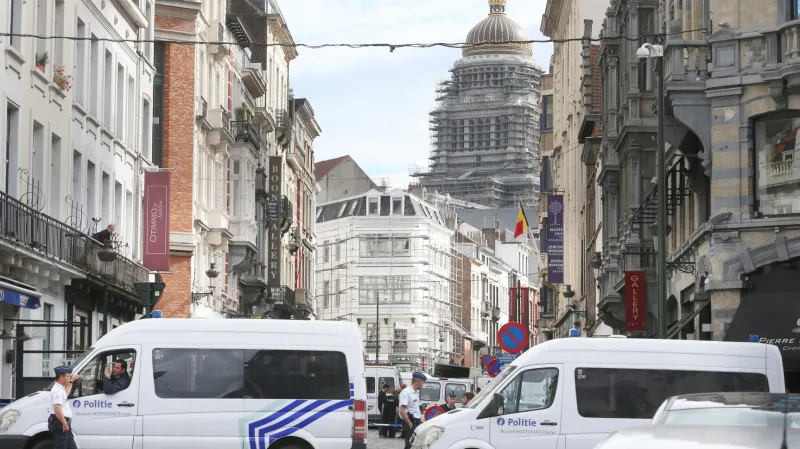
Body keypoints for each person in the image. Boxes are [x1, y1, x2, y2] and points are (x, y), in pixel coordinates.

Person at [48, 366, 79, 449]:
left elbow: (66, 393)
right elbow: (57, 407)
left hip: (62, 423)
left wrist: (71, 381)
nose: (69, 378)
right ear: (61, 377)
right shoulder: (58, 391)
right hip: (60, 423)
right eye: (68, 376)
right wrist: (64, 423)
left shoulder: (60, 389)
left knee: (71, 447)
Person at [399, 372, 426, 449]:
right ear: (417, 382)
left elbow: (416, 407)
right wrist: (410, 423)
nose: (422, 385)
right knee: (409, 445)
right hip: (410, 422)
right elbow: (401, 410)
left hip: (416, 422)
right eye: (422, 383)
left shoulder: (415, 392)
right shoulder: (406, 392)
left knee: (415, 445)